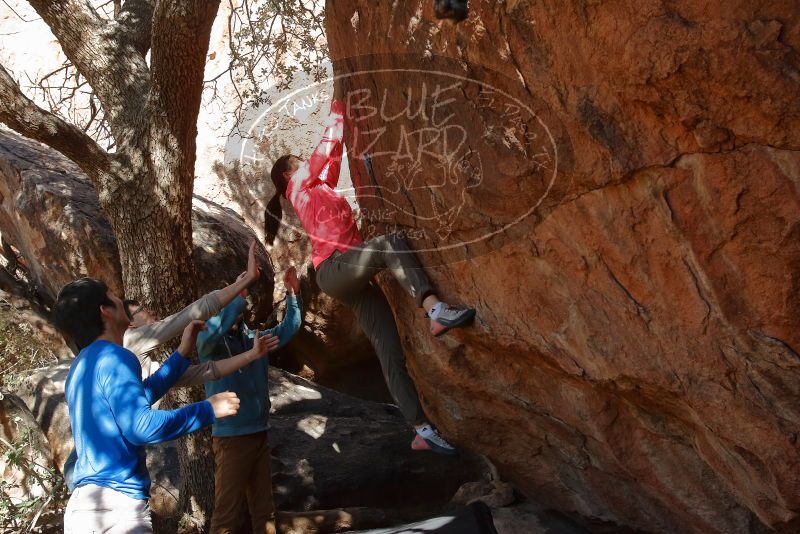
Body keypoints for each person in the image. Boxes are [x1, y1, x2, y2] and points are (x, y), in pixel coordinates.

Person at [265, 93, 476, 455]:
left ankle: (420, 429)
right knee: (390, 243)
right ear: (289, 174)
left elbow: (331, 156)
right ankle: (435, 309)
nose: (306, 165)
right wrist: (338, 104)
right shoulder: (299, 186)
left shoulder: (319, 188)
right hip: (334, 270)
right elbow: (325, 147)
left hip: (348, 277)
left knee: (389, 349)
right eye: (299, 164)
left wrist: (347, 123)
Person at [62, 241, 279, 491]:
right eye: (141, 310)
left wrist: (248, 356)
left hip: (87, 468)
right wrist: (243, 283)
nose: (152, 313)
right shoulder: (128, 344)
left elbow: (200, 373)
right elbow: (191, 314)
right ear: (110, 315)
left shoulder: (96, 361)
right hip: (107, 478)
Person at [52, 278, 243, 533]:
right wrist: (207, 409)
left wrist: (180, 356)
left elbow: (139, 397)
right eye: (112, 294)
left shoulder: (80, 367)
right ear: (104, 311)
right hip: (117, 510)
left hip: (81, 510)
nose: (121, 299)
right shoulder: (116, 356)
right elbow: (141, 427)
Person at [198, 266, 303, 534]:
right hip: (231, 439)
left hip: (259, 433)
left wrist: (293, 295)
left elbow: (289, 329)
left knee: (264, 512)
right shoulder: (209, 344)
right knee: (226, 514)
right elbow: (212, 333)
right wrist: (238, 291)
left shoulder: (252, 339)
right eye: (231, 297)